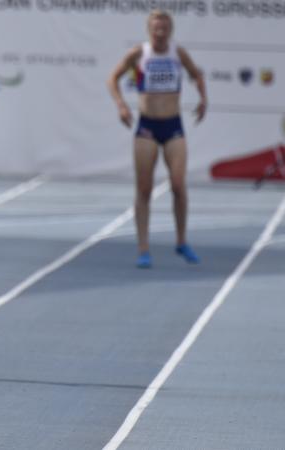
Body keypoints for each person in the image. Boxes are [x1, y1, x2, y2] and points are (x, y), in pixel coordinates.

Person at [107, 9, 206, 269]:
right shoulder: (139, 53)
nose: (160, 33)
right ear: (149, 30)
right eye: (155, 29)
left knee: (177, 185)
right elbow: (112, 79)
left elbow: (197, 74)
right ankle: (143, 247)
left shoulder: (178, 53)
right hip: (147, 127)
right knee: (144, 189)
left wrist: (204, 100)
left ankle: (182, 240)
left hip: (173, 125)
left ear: (170, 30)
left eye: (164, 29)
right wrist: (121, 105)